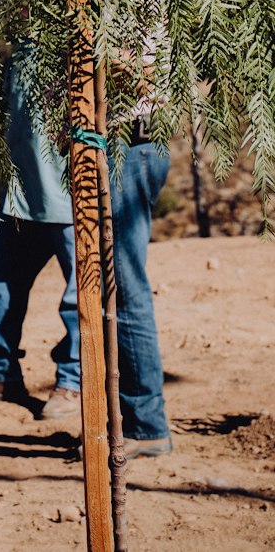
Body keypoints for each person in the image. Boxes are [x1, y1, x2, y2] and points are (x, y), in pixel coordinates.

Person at [0, 52, 80, 419]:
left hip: (69, 195)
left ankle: (72, 381)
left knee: (79, 296)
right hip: (19, 195)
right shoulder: (18, 47)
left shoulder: (78, 38)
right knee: (1, 283)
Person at [112, 123, 172, 458]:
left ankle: (146, 426)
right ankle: (141, 420)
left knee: (126, 289)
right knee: (123, 286)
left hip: (129, 149)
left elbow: (136, 73)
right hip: (133, 148)